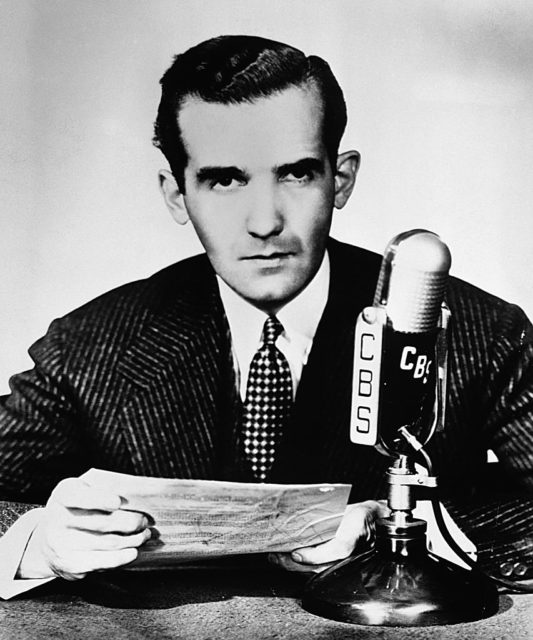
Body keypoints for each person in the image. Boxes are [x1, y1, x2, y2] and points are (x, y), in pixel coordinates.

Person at [0, 35, 532, 597]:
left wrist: (411, 535)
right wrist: (36, 540)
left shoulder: (481, 333)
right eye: (225, 180)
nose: (264, 222)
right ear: (176, 194)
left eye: (297, 173)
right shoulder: (91, 346)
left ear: (341, 179)